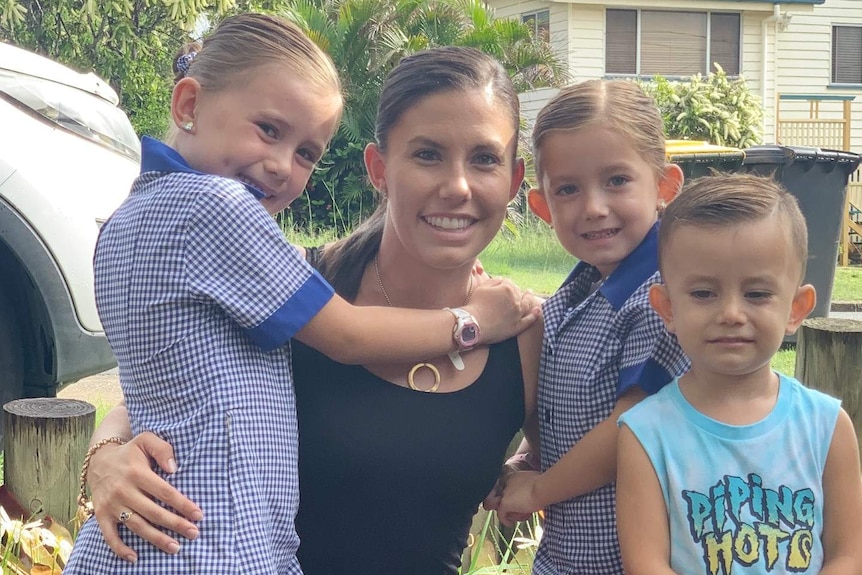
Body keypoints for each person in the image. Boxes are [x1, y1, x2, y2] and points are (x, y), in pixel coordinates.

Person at [63, 17, 538, 575]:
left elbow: (620, 459)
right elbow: (163, 389)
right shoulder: (304, 279)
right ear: (379, 170)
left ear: (513, 181)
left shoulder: (526, 332)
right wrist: (105, 457)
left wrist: (536, 476)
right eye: (428, 154)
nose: (456, 185)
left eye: (484, 158)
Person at [616, 173, 862, 574]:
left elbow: (849, 554)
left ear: (796, 308)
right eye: (703, 293)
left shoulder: (828, 426)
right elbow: (646, 565)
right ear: (667, 308)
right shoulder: (645, 434)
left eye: (757, 294)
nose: (731, 313)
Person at [492, 79, 691, 574]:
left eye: (617, 181)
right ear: (543, 207)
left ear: (665, 186)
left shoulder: (664, 298)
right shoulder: (577, 291)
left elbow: (632, 429)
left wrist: (539, 489)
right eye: (568, 189)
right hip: (568, 553)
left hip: (633, 558)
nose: (594, 207)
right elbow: (566, 410)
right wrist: (530, 458)